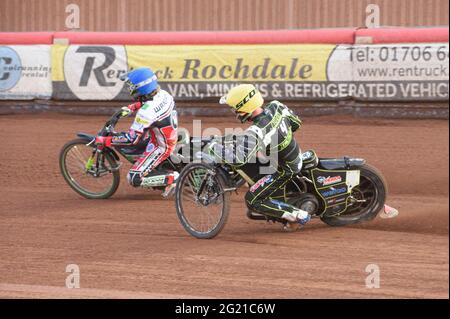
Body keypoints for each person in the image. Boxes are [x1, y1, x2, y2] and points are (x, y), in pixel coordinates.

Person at [207, 84, 310, 230]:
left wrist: (216, 149)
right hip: (294, 155)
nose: (234, 112)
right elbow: (296, 124)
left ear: (244, 108)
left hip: (284, 169)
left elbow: (239, 160)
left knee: (252, 199)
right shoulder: (277, 106)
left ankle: (298, 215)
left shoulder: (256, 131)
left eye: (235, 108)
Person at [95, 67, 178, 197]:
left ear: (142, 87)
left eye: (131, 85)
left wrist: (106, 140)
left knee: (133, 178)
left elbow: (131, 138)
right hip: (166, 134)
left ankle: (174, 178)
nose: (129, 88)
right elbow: (149, 103)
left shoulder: (146, 112)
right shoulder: (163, 94)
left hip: (160, 146)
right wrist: (132, 107)